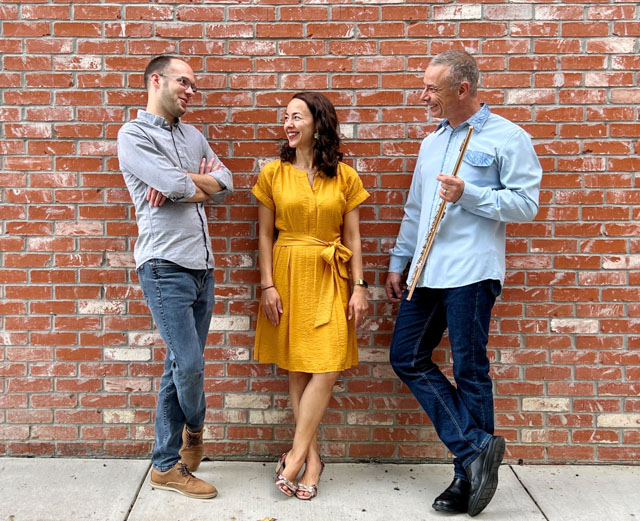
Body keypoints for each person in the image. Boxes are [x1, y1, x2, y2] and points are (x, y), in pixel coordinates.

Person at [385, 50, 542, 517]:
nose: (423, 95)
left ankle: (465, 478)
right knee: (406, 356)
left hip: (472, 272)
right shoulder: (431, 142)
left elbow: (526, 205)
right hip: (428, 271)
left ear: (463, 89)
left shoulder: (507, 137)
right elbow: (416, 209)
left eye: (432, 88)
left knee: (470, 370)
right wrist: (400, 262)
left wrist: (469, 194)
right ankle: (476, 448)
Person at [117, 55, 233, 499]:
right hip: (164, 266)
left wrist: (186, 182)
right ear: (156, 81)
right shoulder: (134, 135)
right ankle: (196, 430)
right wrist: (190, 183)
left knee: (176, 365)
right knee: (188, 364)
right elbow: (186, 188)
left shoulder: (194, 135)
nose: (190, 91)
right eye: (183, 82)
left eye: (194, 86)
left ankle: (165, 466)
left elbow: (224, 182)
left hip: (203, 267)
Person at [252, 92, 369, 500]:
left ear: (317, 124)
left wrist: (359, 286)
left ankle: (297, 452)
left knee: (329, 362)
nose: (288, 123)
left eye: (296, 116)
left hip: (331, 274)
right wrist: (267, 285)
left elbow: (352, 236)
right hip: (287, 272)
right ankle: (314, 460)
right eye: (285, 116)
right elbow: (265, 235)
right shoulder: (272, 174)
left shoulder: (346, 176)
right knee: (298, 367)